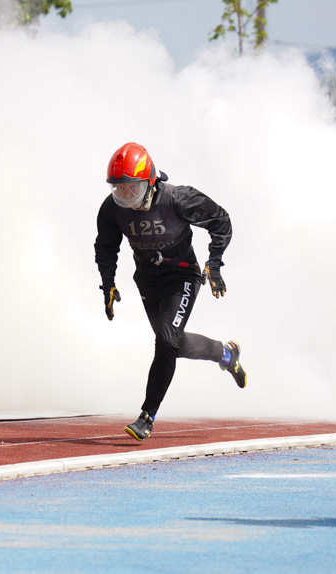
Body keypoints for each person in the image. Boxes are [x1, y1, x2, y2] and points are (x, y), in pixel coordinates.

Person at [94, 142, 247, 441]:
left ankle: (146, 417)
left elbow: (221, 221)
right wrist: (108, 284)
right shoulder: (112, 209)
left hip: (182, 277)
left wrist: (213, 264)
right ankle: (227, 354)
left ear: (150, 181)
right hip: (149, 281)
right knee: (174, 345)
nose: (125, 197)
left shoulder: (179, 199)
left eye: (132, 189)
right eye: (119, 189)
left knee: (165, 341)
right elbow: (106, 247)